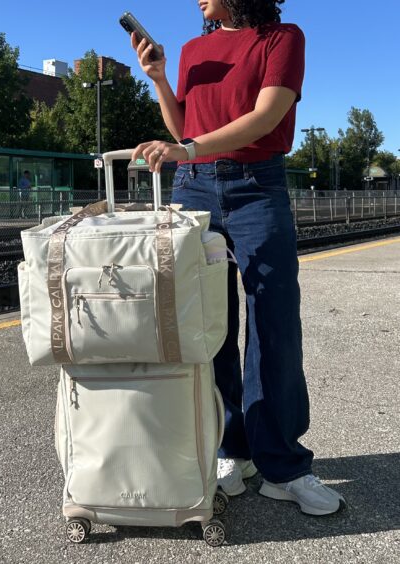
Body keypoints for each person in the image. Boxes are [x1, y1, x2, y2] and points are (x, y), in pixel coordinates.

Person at [131, 0, 346, 516]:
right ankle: (232, 448)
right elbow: (185, 128)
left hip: (256, 186)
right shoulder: (193, 49)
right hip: (193, 187)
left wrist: (188, 148)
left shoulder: (281, 38)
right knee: (211, 324)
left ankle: (285, 465)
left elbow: (266, 116)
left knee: (275, 320)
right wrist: (160, 79)